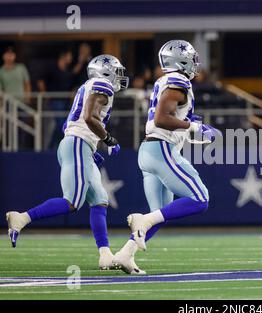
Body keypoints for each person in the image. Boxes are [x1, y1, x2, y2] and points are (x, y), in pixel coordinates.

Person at [5, 54, 128, 270]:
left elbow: (71, 124)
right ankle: (21, 218)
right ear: (104, 71)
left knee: (100, 199)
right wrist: (107, 139)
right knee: (72, 202)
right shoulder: (101, 85)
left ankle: (105, 255)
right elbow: (90, 118)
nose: (119, 77)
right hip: (77, 144)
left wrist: (89, 149)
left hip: (77, 145)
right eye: (116, 71)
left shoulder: (87, 87)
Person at [112, 40, 221, 275]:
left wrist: (196, 125)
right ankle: (141, 223)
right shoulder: (177, 81)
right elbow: (162, 118)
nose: (195, 63)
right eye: (191, 58)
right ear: (179, 60)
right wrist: (193, 127)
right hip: (162, 149)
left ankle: (125, 254)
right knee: (200, 199)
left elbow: (172, 115)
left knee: (158, 214)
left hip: (150, 150)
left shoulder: (164, 81)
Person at [37, 49, 75, 149]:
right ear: (64, 56)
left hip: (65, 102)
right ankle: (52, 147)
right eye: (69, 56)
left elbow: (71, 82)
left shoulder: (67, 70)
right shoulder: (52, 68)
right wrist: (45, 94)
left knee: (63, 126)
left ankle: (53, 146)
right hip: (55, 101)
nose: (71, 59)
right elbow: (40, 80)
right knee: (61, 125)